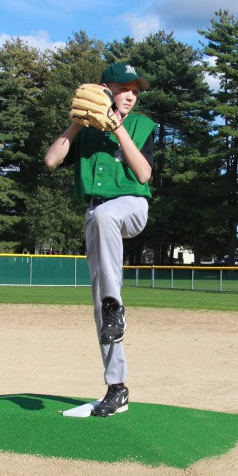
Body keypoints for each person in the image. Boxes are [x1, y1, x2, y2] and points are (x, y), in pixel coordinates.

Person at [44, 62, 156, 417]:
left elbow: (144, 173)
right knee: (101, 307)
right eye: (124, 89)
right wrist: (78, 122)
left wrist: (118, 128)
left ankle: (114, 306)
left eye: (135, 91)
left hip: (131, 207)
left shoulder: (141, 125)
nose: (131, 96)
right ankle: (117, 387)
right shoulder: (86, 131)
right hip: (96, 216)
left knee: (107, 214)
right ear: (105, 89)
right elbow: (51, 160)